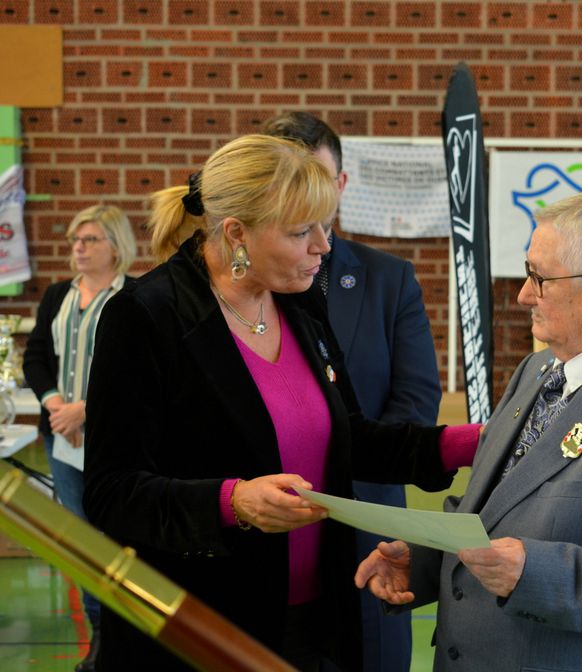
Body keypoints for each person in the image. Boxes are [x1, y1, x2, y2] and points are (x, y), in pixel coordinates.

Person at [81, 134, 467, 672]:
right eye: (299, 232)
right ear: (237, 233)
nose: (323, 247)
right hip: (204, 624)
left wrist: (469, 441)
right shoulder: (146, 318)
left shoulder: (298, 302)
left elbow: (347, 440)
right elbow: (110, 491)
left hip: (316, 620)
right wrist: (231, 502)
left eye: (326, 226)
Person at [356, 189, 582, 672]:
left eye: (539, 278)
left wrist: (533, 574)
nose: (524, 294)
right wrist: (421, 564)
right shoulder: (539, 368)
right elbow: (489, 512)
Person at [262, 111, 442, 672]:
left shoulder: (388, 280)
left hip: (368, 533)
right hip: (267, 536)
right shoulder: (236, 291)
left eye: (316, 183)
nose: (306, 203)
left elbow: (414, 404)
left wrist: (336, 476)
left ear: (340, 185)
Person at [23, 203, 137, 672]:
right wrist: (54, 403)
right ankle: (99, 641)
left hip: (117, 443)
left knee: (120, 540)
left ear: (116, 245)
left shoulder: (132, 297)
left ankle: (127, 637)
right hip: (65, 443)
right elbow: (35, 357)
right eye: (75, 240)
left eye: (89, 239)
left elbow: (136, 374)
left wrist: (85, 409)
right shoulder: (57, 295)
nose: (78, 248)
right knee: (85, 545)